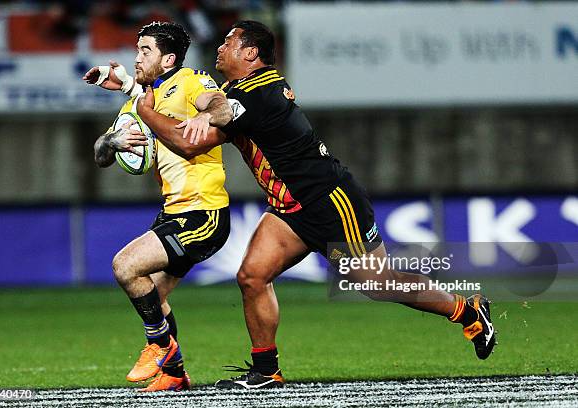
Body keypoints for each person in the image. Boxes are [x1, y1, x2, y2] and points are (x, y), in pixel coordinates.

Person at [89, 20, 496, 390]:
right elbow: (207, 119)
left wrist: (147, 105)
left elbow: (203, 124)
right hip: (290, 209)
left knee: (376, 283)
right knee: (251, 276)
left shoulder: (259, 91)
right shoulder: (238, 92)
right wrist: (156, 98)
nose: (221, 47)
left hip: (331, 203)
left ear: (250, 53)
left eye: (230, 42)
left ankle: (468, 311)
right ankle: (266, 371)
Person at [84, 21, 232, 392]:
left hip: (203, 212)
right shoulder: (144, 99)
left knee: (125, 266)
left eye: (144, 51)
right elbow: (101, 156)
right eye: (137, 50)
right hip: (174, 211)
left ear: (168, 59)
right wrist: (112, 140)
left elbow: (221, 106)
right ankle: (175, 374)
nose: (136, 58)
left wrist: (206, 114)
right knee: (155, 296)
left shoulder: (189, 81)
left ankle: (159, 346)